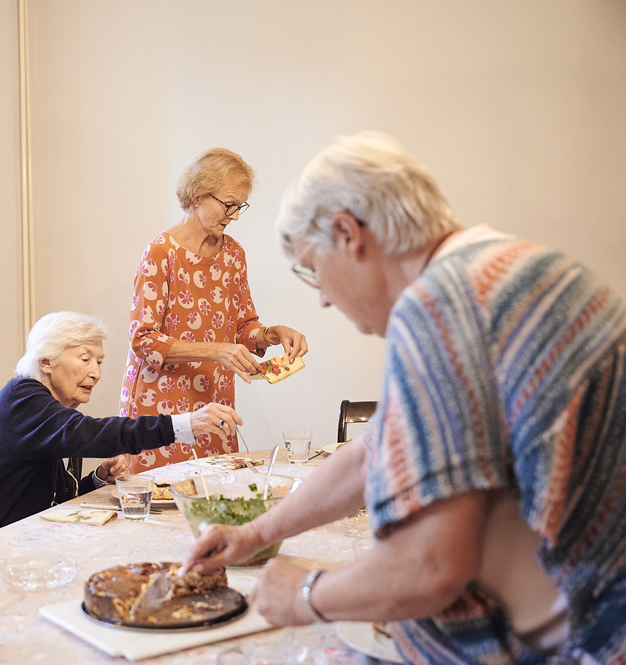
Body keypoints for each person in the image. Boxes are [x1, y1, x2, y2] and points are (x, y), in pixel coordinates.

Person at [183, 132, 626, 664]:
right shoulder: (502, 270)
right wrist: (255, 533)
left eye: (312, 269)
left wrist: (305, 595)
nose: (322, 298)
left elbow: (431, 567)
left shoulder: (442, 305)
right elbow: (372, 454)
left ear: (349, 234)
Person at [0, 311, 242, 544]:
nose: (96, 372)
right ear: (46, 362)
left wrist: (99, 479)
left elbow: (59, 497)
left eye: (99, 361)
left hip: (27, 543)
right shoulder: (22, 397)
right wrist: (187, 423)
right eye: (85, 359)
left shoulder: (51, 410)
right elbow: (92, 433)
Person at [119, 148, 308, 473]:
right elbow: (143, 340)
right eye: (228, 204)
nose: (234, 215)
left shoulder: (233, 254)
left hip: (213, 402)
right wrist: (217, 351)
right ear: (197, 194)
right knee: (161, 506)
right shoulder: (161, 253)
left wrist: (273, 333)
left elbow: (243, 328)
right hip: (160, 410)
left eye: (240, 207)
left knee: (215, 503)